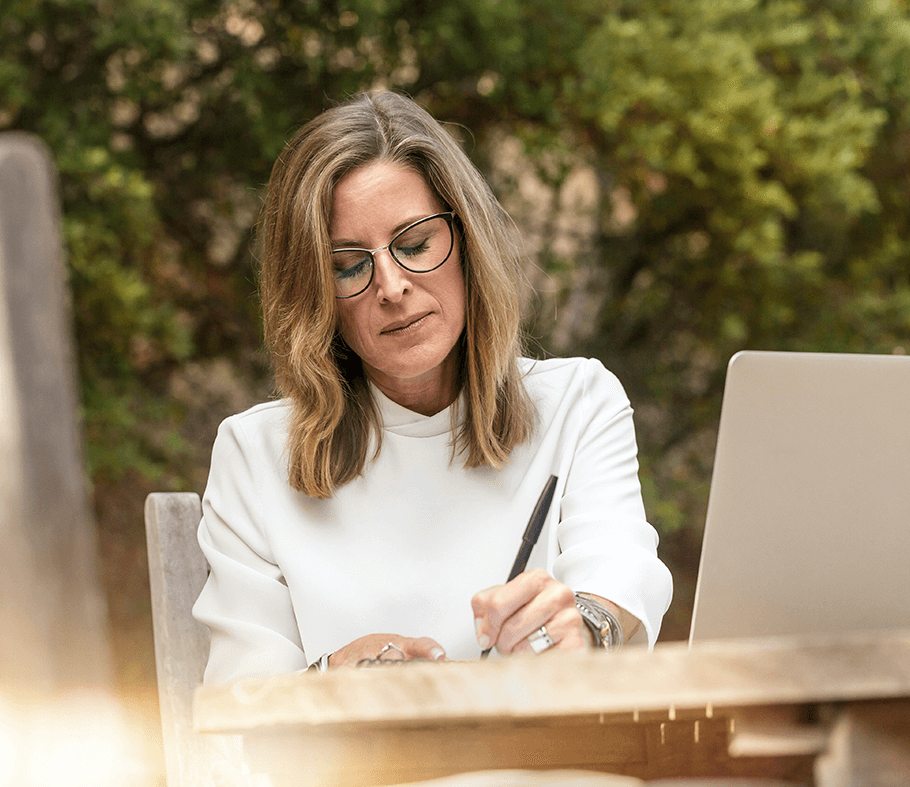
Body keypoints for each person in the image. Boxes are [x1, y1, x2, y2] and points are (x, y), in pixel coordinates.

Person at [192, 90, 673, 685]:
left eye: (415, 244)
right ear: (314, 293)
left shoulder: (577, 403)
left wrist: (586, 625)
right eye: (348, 265)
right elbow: (239, 705)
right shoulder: (254, 454)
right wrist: (326, 680)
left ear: (467, 240)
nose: (391, 286)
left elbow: (618, 577)